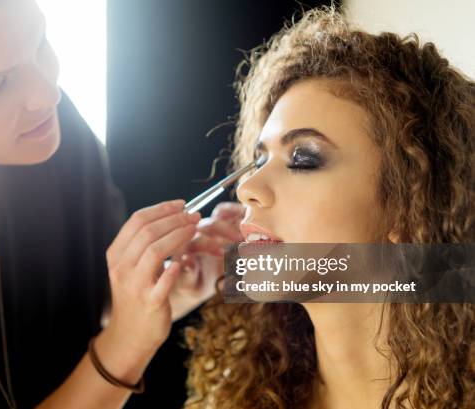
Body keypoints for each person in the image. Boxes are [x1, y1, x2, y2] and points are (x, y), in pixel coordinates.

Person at [0, 1, 244, 408]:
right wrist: (126, 344)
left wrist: (166, 292)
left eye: (39, 42)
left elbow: (83, 314)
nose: (47, 93)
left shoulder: (47, 134)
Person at [184, 7, 474, 409]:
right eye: (259, 159)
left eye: (303, 159)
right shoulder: (237, 398)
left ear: (407, 203)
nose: (248, 188)